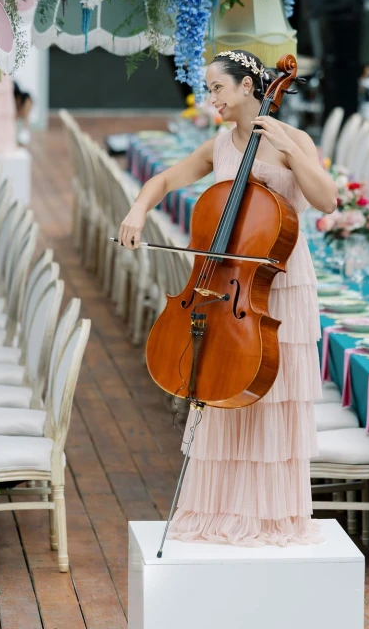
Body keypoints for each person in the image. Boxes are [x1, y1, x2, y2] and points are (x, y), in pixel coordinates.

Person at [119, 49, 337, 547]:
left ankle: (272, 516)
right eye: (208, 89)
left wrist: (288, 145)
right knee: (224, 388)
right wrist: (137, 209)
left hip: (281, 282)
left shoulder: (292, 140)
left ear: (247, 87)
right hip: (227, 285)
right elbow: (165, 179)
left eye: (217, 87)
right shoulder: (219, 144)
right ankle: (219, 508)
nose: (210, 97)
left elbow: (326, 200)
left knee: (274, 396)